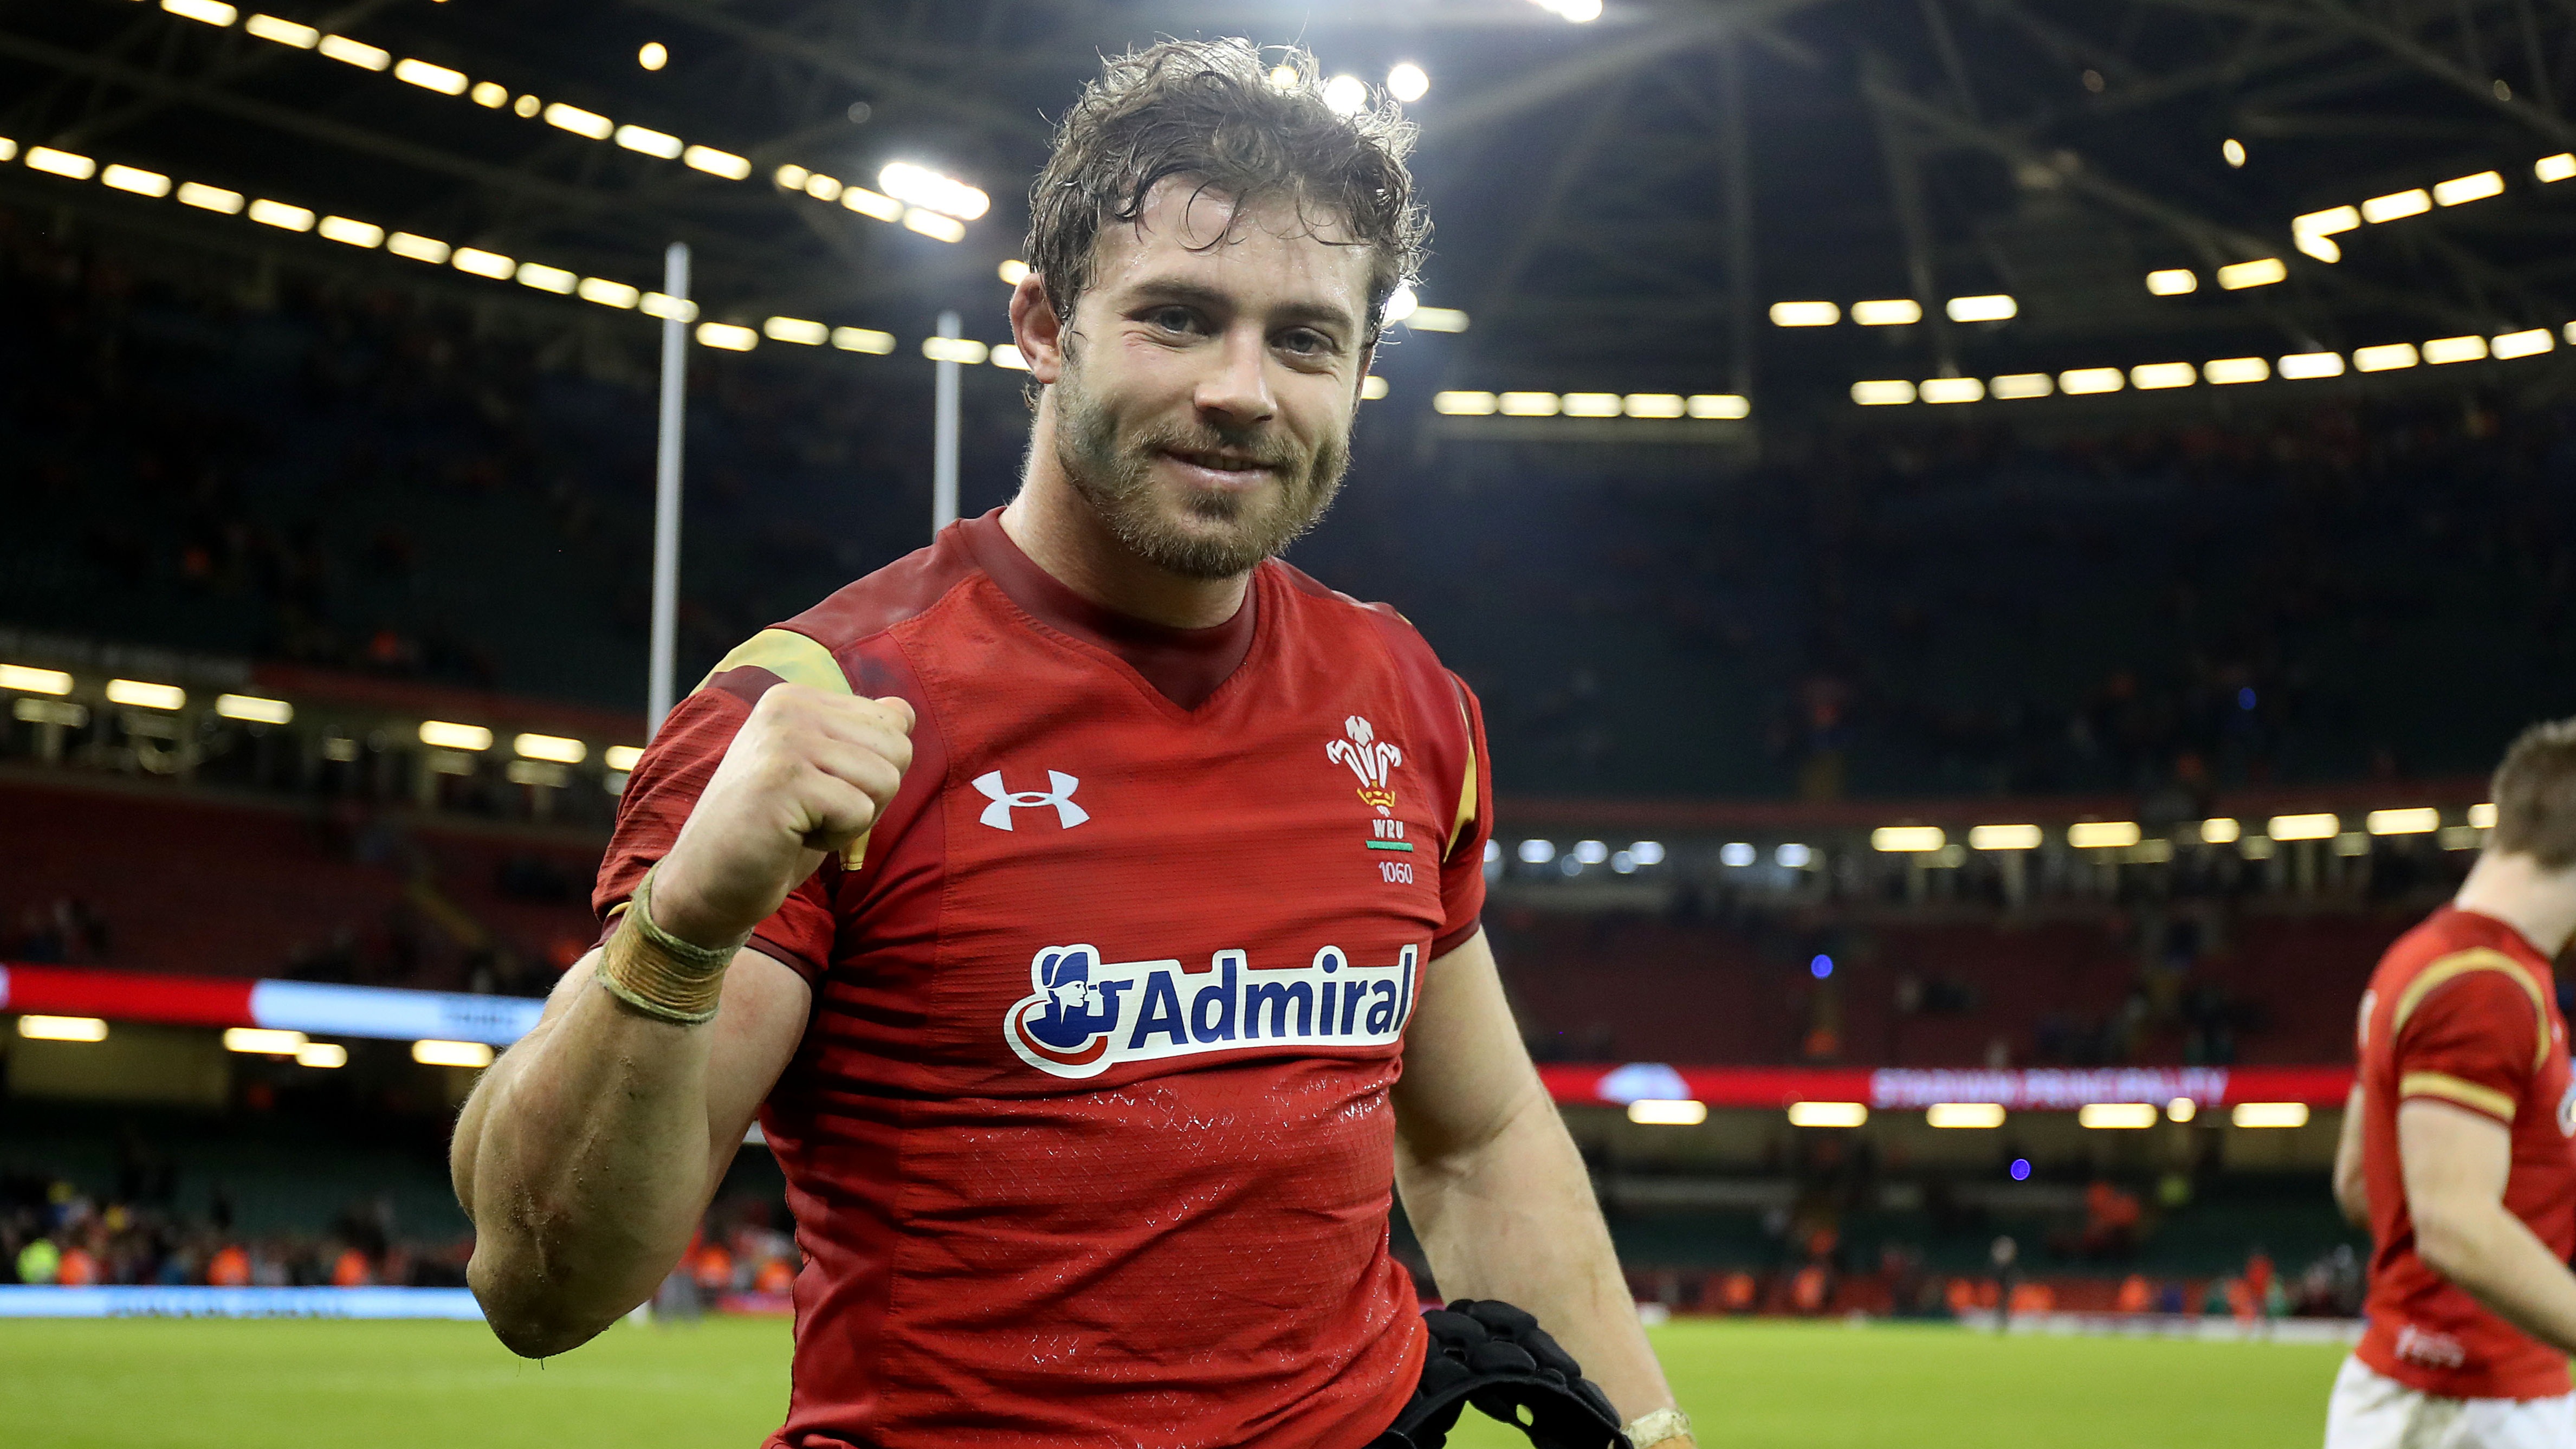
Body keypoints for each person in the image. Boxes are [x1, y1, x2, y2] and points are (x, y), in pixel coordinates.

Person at [449, 38, 1692, 1449]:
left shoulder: (1400, 692)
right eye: (1176, 317)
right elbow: (536, 1281)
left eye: (1304, 339)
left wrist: (1647, 1433)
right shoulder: (821, 706)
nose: (1244, 389)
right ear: (1043, 327)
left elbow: (1476, 1139)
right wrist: (681, 929)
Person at [2328, 719, 2576, 1448]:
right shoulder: (2484, 986)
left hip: (2424, 1392)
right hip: (2470, 1406)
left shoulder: (2416, 959)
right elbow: (2454, 1224)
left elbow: (2356, 1182)